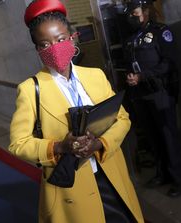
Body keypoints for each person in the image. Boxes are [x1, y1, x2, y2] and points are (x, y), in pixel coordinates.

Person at [9, 0, 144, 222]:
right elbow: (18, 144)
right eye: (45, 44)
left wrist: (99, 143)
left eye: (61, 39)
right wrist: (60, 146)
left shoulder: (96, 76)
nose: (54, 47)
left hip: (110, 172)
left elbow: (122, 118)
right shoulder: (30, 90)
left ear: (73, 38)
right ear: (37, 50)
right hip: (70, 186)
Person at [123, 0, 181, 197]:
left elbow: (169, 63)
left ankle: (179, 179)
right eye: (130, 14)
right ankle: (162, 174)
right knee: (152, 136)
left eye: (135, 12)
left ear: (146, 11)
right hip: (140, 94)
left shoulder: (161, 32)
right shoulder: (131, 38)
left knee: (168, 136)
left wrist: (143, 76)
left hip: (160, 92)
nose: (132, 17)